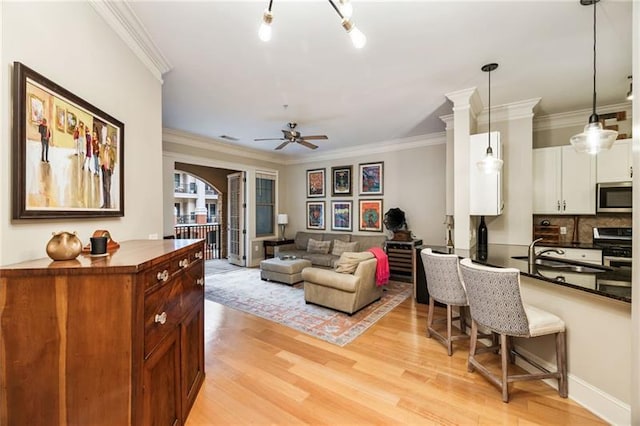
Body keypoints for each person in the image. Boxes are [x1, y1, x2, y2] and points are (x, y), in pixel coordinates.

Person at [99, 135, 116, 208]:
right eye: (106, 140)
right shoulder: (103, 148)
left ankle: (108, 205)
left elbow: (113, 160)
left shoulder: (112, 151)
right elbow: (100, 155)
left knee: (108, 188)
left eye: (108, 141)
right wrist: (101, 163)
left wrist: (112, 169)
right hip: (103, 169)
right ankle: (104, 204)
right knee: (104, 187)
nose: (107, 142)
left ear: (110, 142)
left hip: (108, 170)